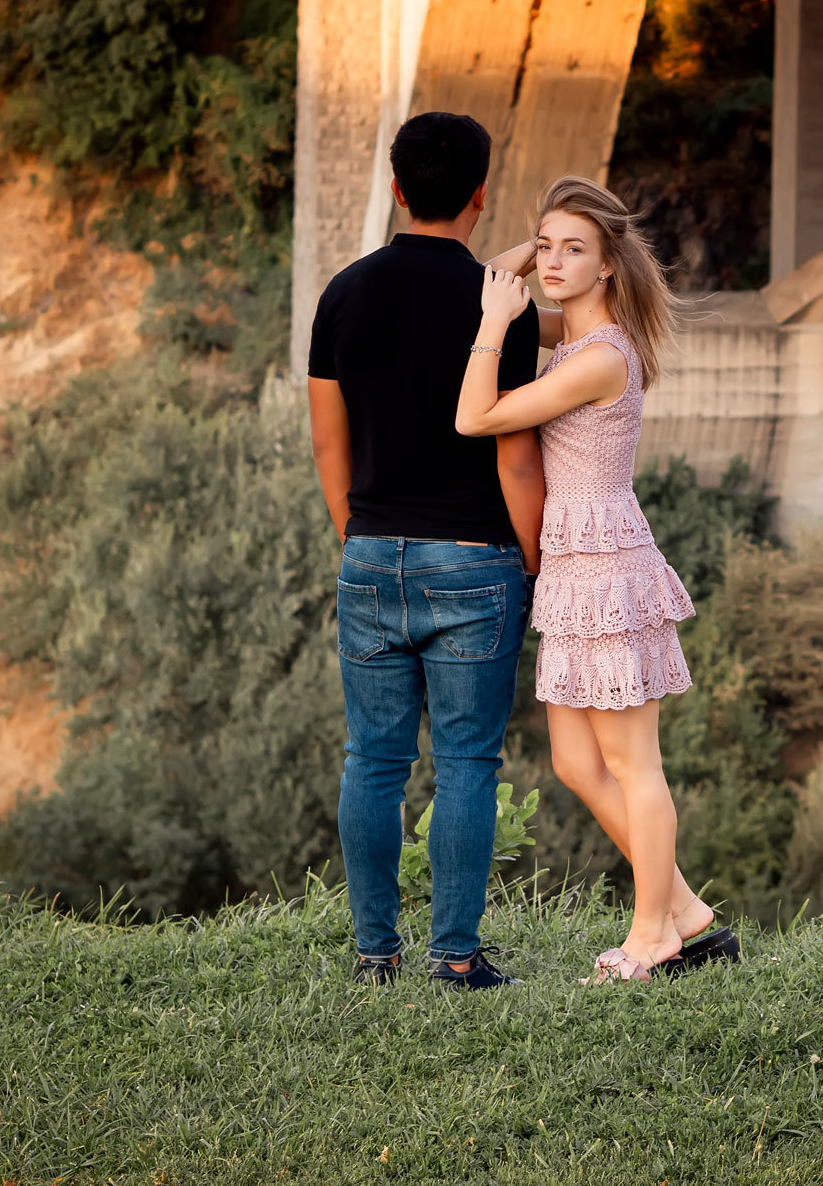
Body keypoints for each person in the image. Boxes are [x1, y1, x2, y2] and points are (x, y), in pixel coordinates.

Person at [459, 176, 737, 982]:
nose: (550, 261)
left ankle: (654, 933)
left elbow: (474, 417)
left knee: (633, 765)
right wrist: (541, 242)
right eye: (545, 246)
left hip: (609, 571)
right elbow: (496, 273)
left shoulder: (600, 355)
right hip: (574, 574)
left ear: (609, 265)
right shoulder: (569, 337)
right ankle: (683, 908)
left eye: (574, 249)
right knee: (578, 766)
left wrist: (489, 326)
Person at [307, 111, 542, 990]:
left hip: (369, 551)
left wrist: (355, 528)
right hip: (476, 558)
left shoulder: (345, 294)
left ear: (396, 187)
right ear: (482, 194)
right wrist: (531, 557)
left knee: (372, 759)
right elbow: (516, 456)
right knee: (468, 762)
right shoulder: (500, 306)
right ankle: (455, 956)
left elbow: (329, 440)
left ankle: (375, 955)